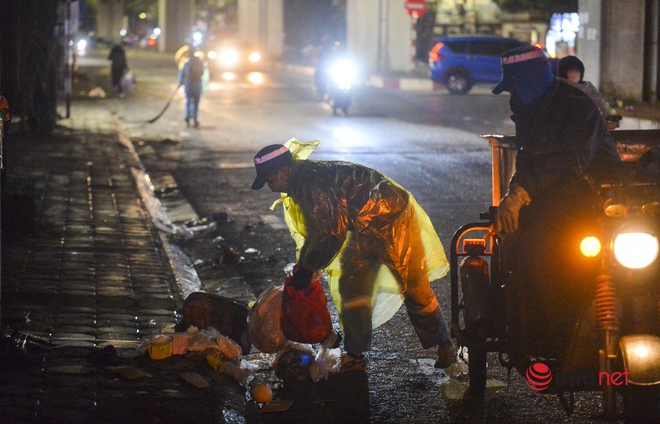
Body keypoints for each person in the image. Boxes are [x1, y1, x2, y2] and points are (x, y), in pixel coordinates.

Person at [251, 141, 456, 372]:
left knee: (414, 286)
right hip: (360, 227)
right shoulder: (300, 183)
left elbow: (330, 233)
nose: (271, 188)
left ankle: (444, 345)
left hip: (392, 219)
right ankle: (355, 354)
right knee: (353, 289)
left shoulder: (311, 184)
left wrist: (308, 269)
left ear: (283, 171)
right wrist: (305, 266)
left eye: (270, 180)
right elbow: (318, 230)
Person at [491, 45, 623, 354]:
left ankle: (566, 330)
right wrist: (515, 195)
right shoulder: (528, 108)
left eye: (513, 85)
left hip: (598, 200)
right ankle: (542, 335)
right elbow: (529, 160)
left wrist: (521, 193)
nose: (511, 93)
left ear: (529, 81)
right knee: (518, 244)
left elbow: (568, 161)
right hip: (555, 200)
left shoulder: (577, 106)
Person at [557, 55, 620, 129]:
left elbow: (601, 102)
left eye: (577, 70)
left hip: (585, 128)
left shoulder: (587, 87)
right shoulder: (558, 88)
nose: (575, 73)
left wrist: (609, 119)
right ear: (564, 72)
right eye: (571, 71)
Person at [178, 49, 206, 128]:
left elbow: (182, 74)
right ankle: (195, 119)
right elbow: (202, 72)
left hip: (189, 86)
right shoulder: (200, 63)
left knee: (188, 102)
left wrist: (180, 82)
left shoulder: (187, 63)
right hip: (197, 86)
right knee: (196, 104)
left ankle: (188, 117)